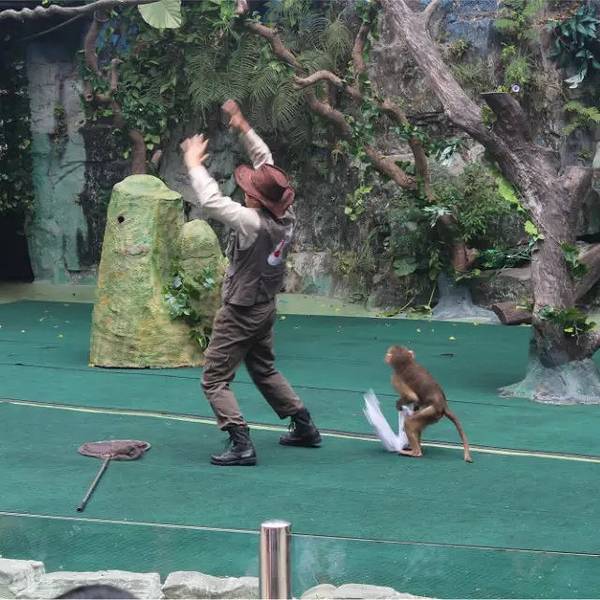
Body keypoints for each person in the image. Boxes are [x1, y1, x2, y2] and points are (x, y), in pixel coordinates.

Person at [180, 99, 322, 466]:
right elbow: (267, 164)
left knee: (214, 378)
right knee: (263, 368)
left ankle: (240, 441)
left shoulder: (250, 223)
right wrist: (243, 127)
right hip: (265, 307)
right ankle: (304, 426)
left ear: (253, 197)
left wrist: (194, 164)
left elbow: (212, 201)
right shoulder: (286, 217)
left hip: (241, 310)